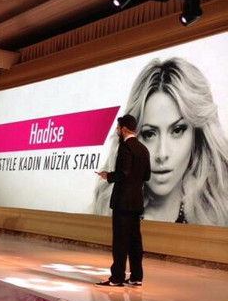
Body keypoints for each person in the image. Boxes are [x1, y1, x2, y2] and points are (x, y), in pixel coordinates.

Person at [93, 58, 228, 225]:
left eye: (177, 130)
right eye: (149, 134)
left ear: (197, 137)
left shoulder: (220, 216)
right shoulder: (105, 212)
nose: (162, 154)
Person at [95, 114, 151, 287]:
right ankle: (136, 276)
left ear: (125, 129)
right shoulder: (143, 149)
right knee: (135, 241)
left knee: (120, 241)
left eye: (118, 128)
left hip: (122, 202)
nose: (116, 131)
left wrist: (108, 176)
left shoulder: (125, 147)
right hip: (136, 202)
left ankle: (117, 277)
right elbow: (147, 176)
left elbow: (123, 173)